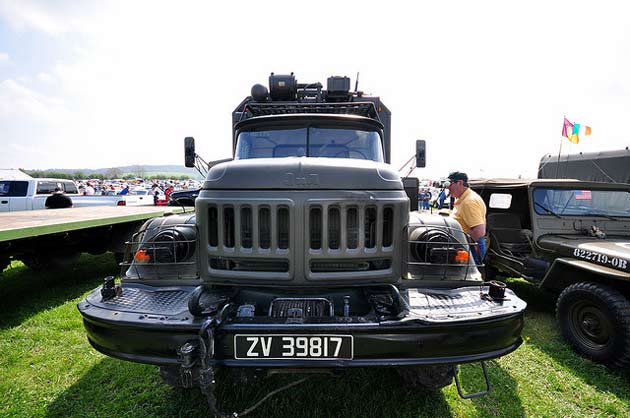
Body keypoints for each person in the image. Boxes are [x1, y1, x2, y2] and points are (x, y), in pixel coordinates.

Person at [446, 171, 487, 265]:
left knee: (465, 275)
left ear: (459, 183)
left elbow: (479, 232)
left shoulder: (469, 202)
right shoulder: (464, 199)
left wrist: (460, 242)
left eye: (450, 184)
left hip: (469, 247)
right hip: (466, 245)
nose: (448, 188)